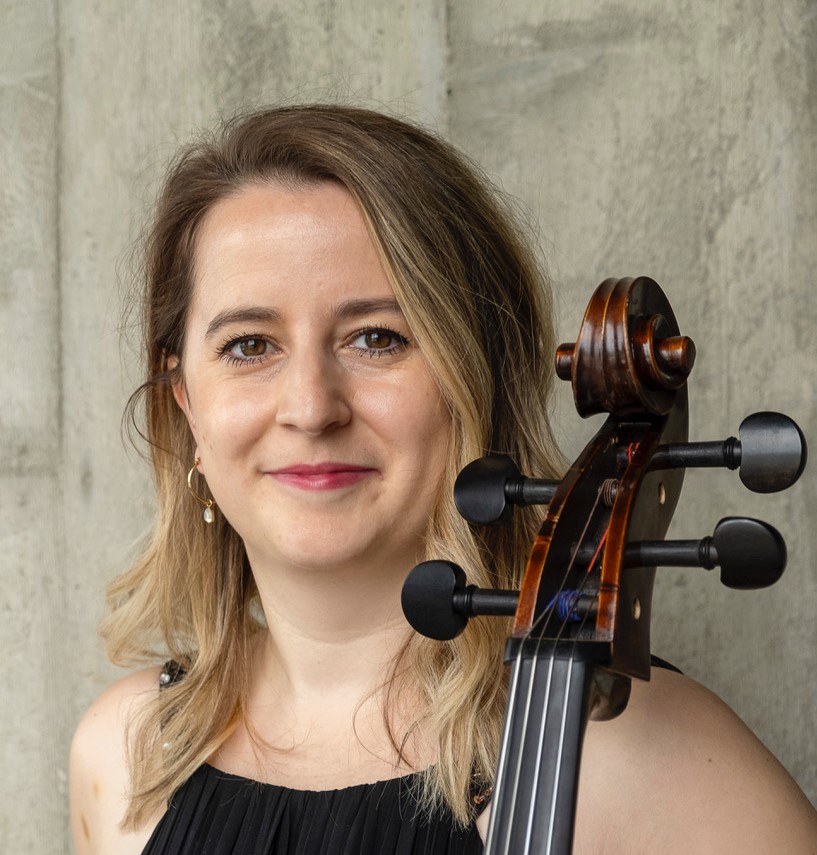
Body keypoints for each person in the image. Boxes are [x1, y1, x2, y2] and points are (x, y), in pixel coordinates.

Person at [69, 105, 817, 855]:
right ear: (186, 405)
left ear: (473, 380)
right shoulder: (126, 759)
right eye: (249, 345)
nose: (311, 407)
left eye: (376, 338)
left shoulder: (642, 764)